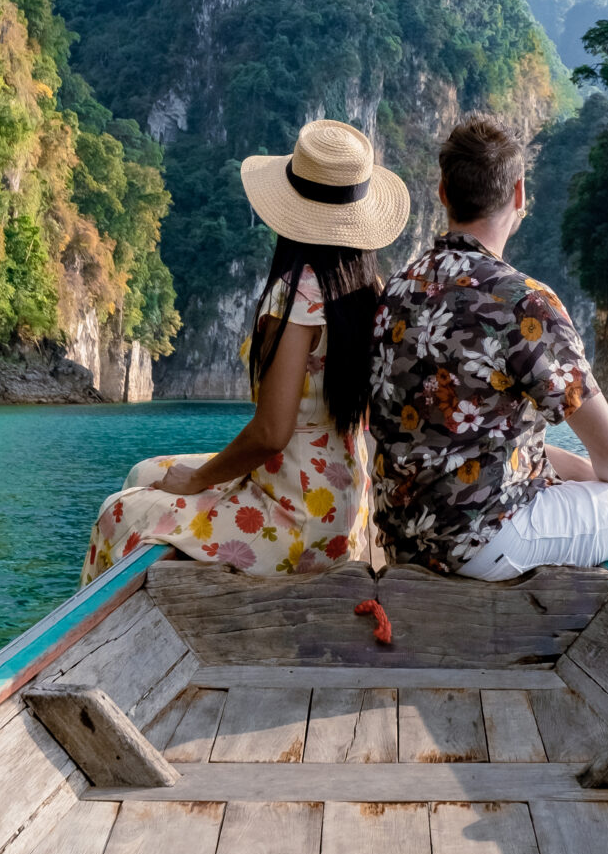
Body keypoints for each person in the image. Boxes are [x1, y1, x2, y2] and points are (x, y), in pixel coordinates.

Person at [371, 113, 608, 634]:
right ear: (520, 193)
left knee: (579, 480)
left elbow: (456, 439)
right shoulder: (523, 303)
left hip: (404, 538)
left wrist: (561, 468)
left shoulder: (397, 291)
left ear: (442, 190)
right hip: (482, 542)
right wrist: (596, 474)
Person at [81, 118, 410, 581]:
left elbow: (272, 433)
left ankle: (101, 643)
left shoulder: (295, 297)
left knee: (117, 512)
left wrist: (200, 480)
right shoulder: (366, 290)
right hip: (344, 510)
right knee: (143, 473)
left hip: (295, 517)